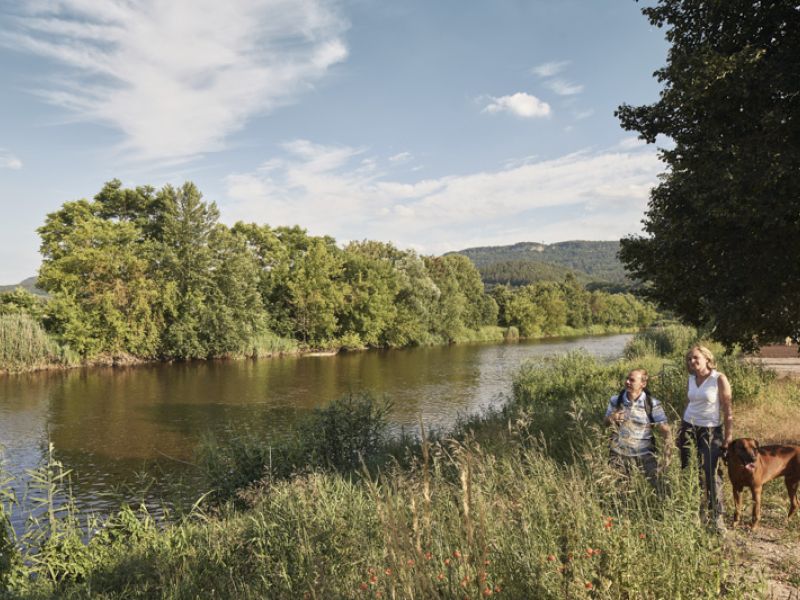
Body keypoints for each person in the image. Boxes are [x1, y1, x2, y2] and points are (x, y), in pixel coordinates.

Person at [677, 345, 733, 533]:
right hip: (688, 427)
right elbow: (688, 403)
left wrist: (728, 436)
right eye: (689, 359)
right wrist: (680, 428)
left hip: (710, 431)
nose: (692, 362)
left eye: (695, 358)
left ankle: (717, 519)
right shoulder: (691, 379)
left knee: (712, 472)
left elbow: (727, 409)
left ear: (707, 358)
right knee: (689, 471)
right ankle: (696, 513)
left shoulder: (719, 379)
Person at [605, 369, 671, 488]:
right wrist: (613, 417)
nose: (627, 382)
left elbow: (666, 431)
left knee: (659, 488)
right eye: (627, 378)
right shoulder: (616, 400)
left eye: (632, 380)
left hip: (645, 455)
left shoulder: (652, 403)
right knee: (618, 491)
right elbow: (605, 423)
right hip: (619, 455)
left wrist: (666, 457)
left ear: (643, 384)